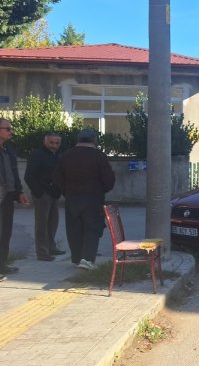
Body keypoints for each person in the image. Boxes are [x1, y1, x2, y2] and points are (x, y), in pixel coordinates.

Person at [54, 128, 115, 271]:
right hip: (93, 198)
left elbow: (57, 178)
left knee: (74, 228)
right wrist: (101, 190)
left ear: (78, 140)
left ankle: (76, 258)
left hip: (72, 198)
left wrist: (66, 192)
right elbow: (109, 179)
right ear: (94, 140)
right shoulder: (99, 156)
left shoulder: (66, 156)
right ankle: (87, 259)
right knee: (92, 228)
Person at [24, 132, 64, 261]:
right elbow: (29, 176)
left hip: (54, 194)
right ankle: (42, 252)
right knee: (42, 224)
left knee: (53, 222)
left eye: (57, 143)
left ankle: (51, 247)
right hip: (42, 194)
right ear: (45, 142)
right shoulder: (37, 155)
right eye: (51, 142)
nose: (54, 145)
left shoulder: (58, 155)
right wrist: (39, 193)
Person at [0, 118, 30, 279]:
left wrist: (19, 192)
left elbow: (14, 172)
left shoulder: (8, 149)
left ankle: (2, 265)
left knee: (5, 233)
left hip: (7, 197)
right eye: (7, 129)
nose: (10, 131)